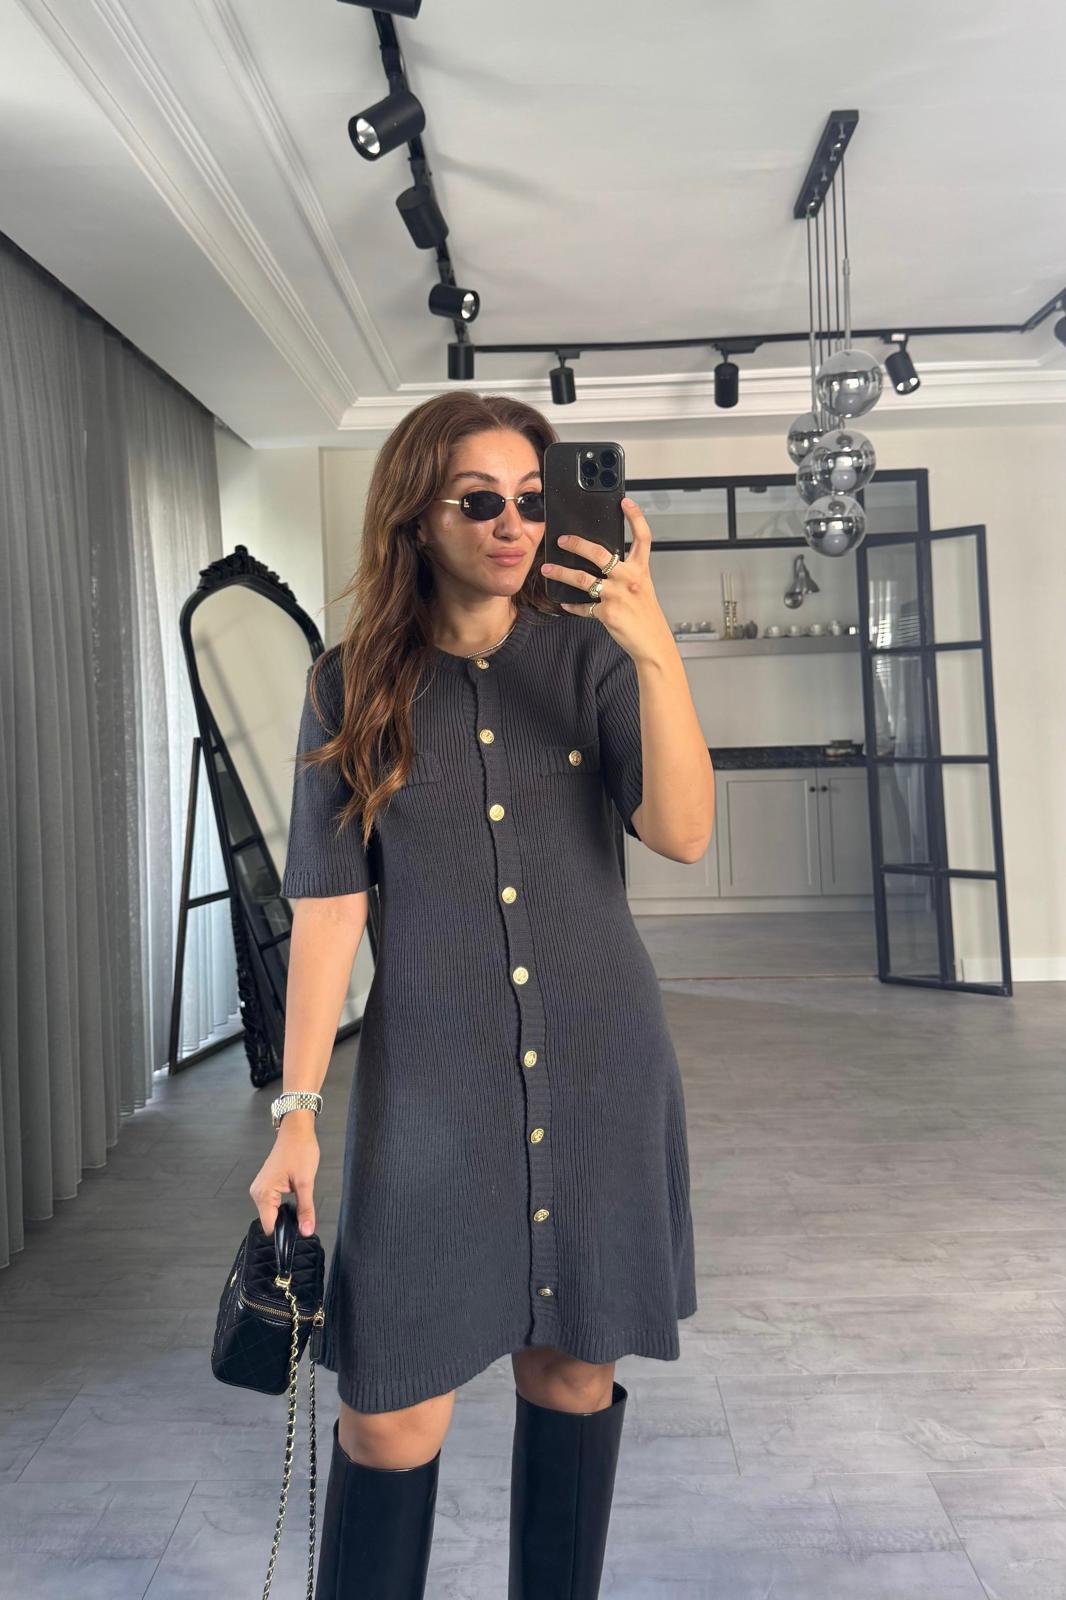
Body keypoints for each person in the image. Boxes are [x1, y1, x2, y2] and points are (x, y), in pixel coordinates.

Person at [249, 391, 714, 1598]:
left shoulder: (593, 660)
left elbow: (682, 832)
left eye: (530, 499)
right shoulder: (348, 684)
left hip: (602, 1071)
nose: (512, 523)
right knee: (388, 1414)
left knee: (570, 1376)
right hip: (432, 1097)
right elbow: (329, 909)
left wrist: (651, 640)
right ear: (416, 516)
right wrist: (296, 1110)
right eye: (479, 500)